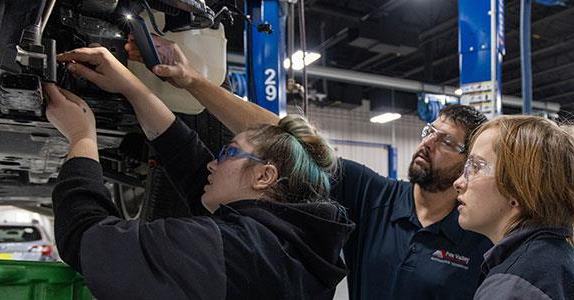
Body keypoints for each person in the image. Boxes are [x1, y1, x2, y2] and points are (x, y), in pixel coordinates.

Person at [122, 36, 494, 299]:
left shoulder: (478, 234)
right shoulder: (376, 198)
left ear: (470, 162)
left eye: (447, 142)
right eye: (430, 131)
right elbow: (284, 138)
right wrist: (193, 82)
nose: (428, 143)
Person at [46, 46, 354, 299]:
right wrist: (131, 87)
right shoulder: (298, 248)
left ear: (264, 177)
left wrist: (82, 136)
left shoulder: (231, 252)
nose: (211, 163)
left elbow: (85, 237)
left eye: (227, 152)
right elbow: (188, 159)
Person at [452, 115, 574, 299]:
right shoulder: (566, 264)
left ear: (517, 190)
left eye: (476, 167)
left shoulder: (512, 288)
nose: (459, 182)